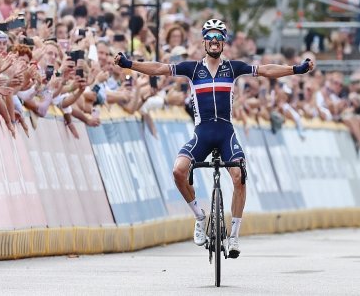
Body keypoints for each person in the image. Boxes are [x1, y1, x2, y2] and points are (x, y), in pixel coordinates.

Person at [114, 19, 314, 258]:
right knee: (179, 171)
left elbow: (265, 70)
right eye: (210, 37)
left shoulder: (233, 68)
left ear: (224, 42)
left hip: (226, 133)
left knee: (239, 175)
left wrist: (296, 69)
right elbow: (159, 68)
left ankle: (234, 236)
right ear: (204, 41)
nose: (215, 41)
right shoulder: (191, 68)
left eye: (219, 37)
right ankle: (199, 217)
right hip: (202, 134)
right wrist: (129, 64)